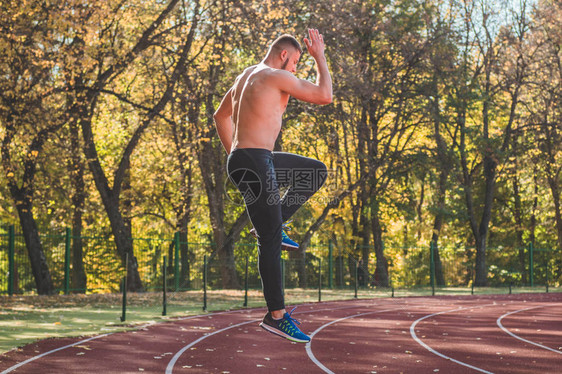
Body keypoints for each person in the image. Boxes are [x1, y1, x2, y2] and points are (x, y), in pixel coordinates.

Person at [214, 29, 332, 343]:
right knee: (268, 240)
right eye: (295, 63)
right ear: (284, 55)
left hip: (245, 160)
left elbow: (219, 116)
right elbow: (325, 96)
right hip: (255, 160)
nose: (295, 70)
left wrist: (236, 159)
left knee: (314, 171)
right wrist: (319, 56)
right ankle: (276, 316)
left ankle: (275, 224)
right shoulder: (275, 75)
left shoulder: (244, 77)